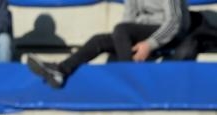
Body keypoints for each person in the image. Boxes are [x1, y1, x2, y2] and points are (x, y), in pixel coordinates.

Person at [27, 0, 191, 88]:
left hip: (171, 34)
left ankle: (130, 79)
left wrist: (149, 44)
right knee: (100, 40)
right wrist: (125, 45)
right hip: (142, 32)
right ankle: (60, 71)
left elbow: (174, 22)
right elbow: (129, 20)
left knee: (121, 30)